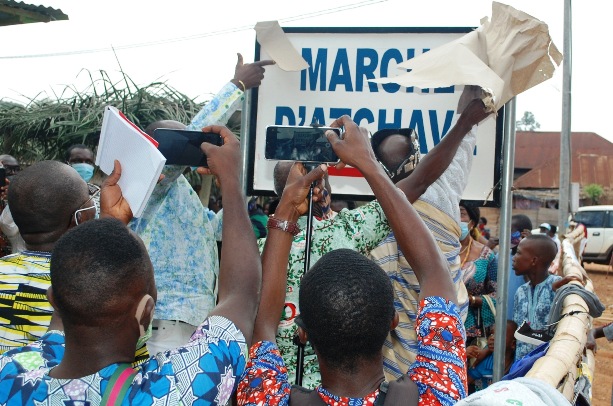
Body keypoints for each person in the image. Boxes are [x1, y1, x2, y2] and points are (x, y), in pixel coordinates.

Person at [0, 125, 262, 405]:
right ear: (146, 313)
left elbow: (70, 302)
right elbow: (241, 296)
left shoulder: (11, 375)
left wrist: (110, 224)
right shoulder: (175, 391)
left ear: (54, 300)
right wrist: (232, 182)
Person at [237, 114, 467, 405]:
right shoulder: (437, 393)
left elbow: (263, 326)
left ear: (302, 332)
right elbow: (435, 272)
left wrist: (286, 210)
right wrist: (367, 163)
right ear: (393, 320)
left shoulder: (263, 396)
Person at [129, 54, 274, 355]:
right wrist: (236, 87)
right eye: (177, 139)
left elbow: (217, 230)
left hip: (194, 325)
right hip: (163, 326)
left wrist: (233, 183)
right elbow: (186, 143)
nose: (188, 144)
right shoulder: (146, 183)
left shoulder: (183, 192)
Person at [369, 87, 492, 380]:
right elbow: (464, 133)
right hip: (442, 337)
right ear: (418, 155)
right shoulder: (444, 190)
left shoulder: (374, 217)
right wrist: (474, 83)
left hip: (394, 355)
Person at [0, 160, 123, 354]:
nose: (95, 203)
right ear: (79, 217)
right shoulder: (90, 287)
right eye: (90, 197)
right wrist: (114, 230)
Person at [512, 234, 561, 361]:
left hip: (548, 364)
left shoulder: (557, 286)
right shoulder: (521, 291)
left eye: (518, 253)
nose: (514, 258)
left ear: (533, 261)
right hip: (522, 364)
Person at [459, 202, 498, 342]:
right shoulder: (438, 251)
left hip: (472, 334)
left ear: (472, 222)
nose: (456, 218)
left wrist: (472, 300)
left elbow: (497, 296)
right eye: (452, 213)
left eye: (461, 214)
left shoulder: (486, 256)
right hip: (441, 327)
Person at [466, 320, 517, 393]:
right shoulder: (486, 362)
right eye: (491, 334)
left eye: (499, 334)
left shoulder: (518, 363)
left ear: (513, 344)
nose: (492, 338)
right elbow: (465, 382)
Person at [505, 214, 533, 321]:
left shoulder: (532, 260)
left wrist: (530, 245)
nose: (507, 234)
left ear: (523, 234)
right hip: (504, 317)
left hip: (523, 318)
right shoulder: (501, 256)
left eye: (511, 230)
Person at [0, 154, 25, 255]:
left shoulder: (23, 197)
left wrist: (14, 196)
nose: (13, 173)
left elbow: (11, 228)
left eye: (17, 169)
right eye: (7, 169)